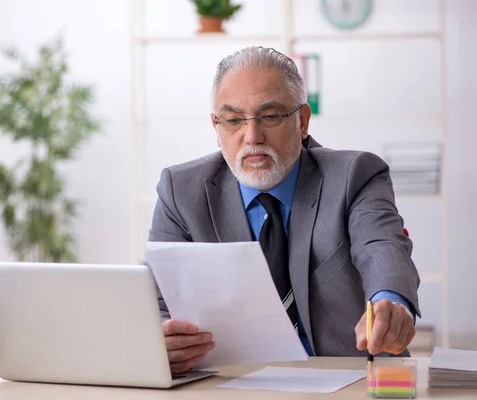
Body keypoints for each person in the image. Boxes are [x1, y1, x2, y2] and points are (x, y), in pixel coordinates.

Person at [148, 46, 421, 374]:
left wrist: (390, 301)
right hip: (231, 385)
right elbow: (157, 304)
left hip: (354, 380)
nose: (252, 136)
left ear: (302, 120)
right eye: (233, 120)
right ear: (216, 127)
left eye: (270, 116)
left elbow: (382, 248)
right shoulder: (180, 191)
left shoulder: (355, 175)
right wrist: (158, 342)